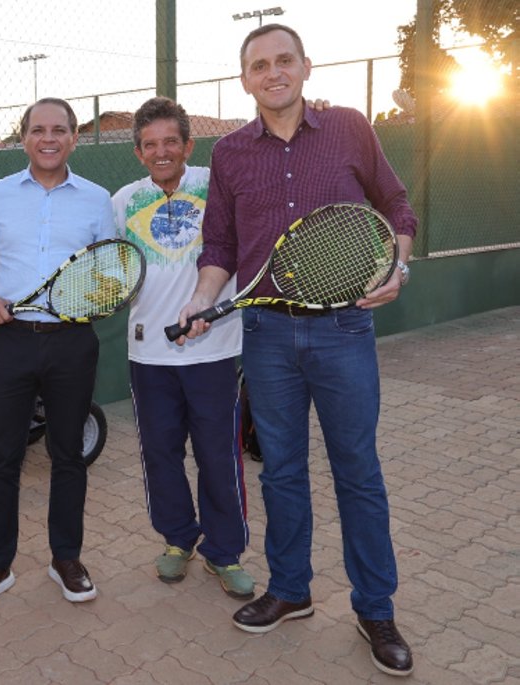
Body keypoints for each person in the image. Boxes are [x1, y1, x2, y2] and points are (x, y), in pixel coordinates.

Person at [179, 24, 415, 677]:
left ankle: (376, 609)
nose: (273, 72)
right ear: (245, 79)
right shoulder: (229, 153)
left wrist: (398, 267)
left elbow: (396, 204)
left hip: (344, 329)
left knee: (357, 471)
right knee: (280, 470)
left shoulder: (349, 128)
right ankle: (290, 590)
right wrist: (200, 298)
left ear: (306, 66)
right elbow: (220, 246)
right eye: (259, 65)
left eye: (284, 60)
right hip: (267, 335)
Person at [0, 97, 116, 612]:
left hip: (72, 341)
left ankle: (66, 559)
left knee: (68, 454)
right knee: (3, 455)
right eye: (39, 129)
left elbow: (111, 269)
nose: (49, 138)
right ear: (23, 137)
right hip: (12, 339)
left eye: (59, 130)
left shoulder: (96, 199)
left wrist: (99, 294)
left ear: (73, 138)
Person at [111, 97, 253, 599]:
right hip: (149, 356)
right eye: (150, 145)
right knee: (160, 453)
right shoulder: (123, 201)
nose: (161, 152)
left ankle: (224, 552)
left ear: (189, 146)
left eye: (171, 141)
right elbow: (115, 270)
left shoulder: (218, 186)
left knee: (218, 455)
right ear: (138, 152)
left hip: (214, 351)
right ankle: (177, 539)